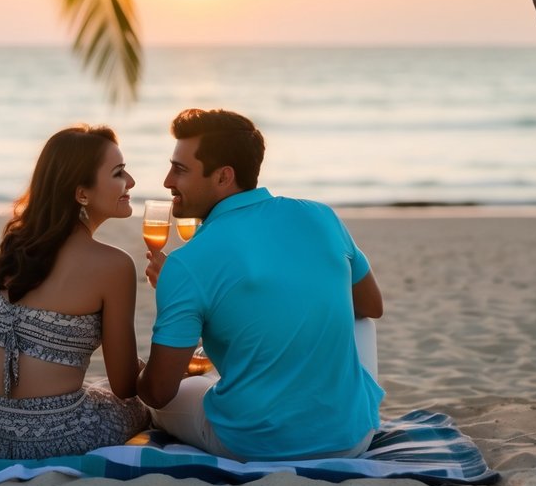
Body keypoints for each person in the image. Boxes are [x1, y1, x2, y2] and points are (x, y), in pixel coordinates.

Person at [136, 109, 384, 462]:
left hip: (254, 444)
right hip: (352, 437)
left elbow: (158, 391)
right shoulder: (321, 215)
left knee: (180, 394)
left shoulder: (186, 264)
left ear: (223, 177)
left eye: (180, 169)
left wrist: (138, 372)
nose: (167, 181)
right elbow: (372, 307)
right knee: (360, 322)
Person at [0, 125, 151, 459]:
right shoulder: (115, 266)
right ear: (82, 192)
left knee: (86, 391)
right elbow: (124, 385)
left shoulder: (17, 243)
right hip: (47, 438)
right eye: (119, 173)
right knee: (140, 407)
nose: (131, 182)